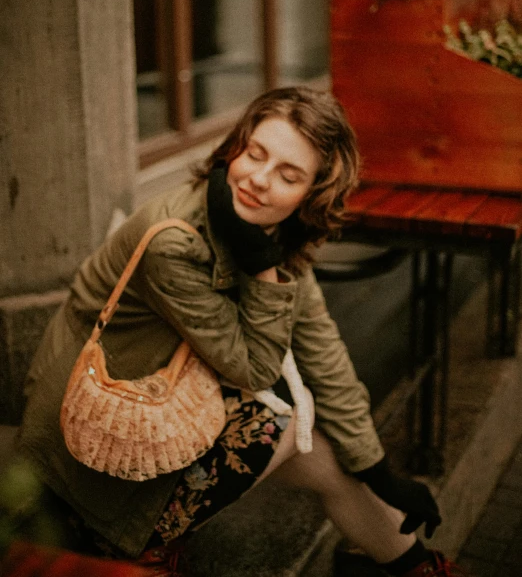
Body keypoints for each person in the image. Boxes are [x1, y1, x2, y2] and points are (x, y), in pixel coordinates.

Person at [17, 86, 468, 577]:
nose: (258, 179)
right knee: (282, 424)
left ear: (311, 195)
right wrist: (261, 268)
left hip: (162, 391)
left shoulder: (268, 229)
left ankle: (416, 567)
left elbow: (320, 346)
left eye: (288, 175)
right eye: (255, 154)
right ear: (238, 143)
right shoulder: (174, 242)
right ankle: (135, 538)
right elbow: (255, 369)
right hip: (94, 436)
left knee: (332, 453)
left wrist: (379, 471)